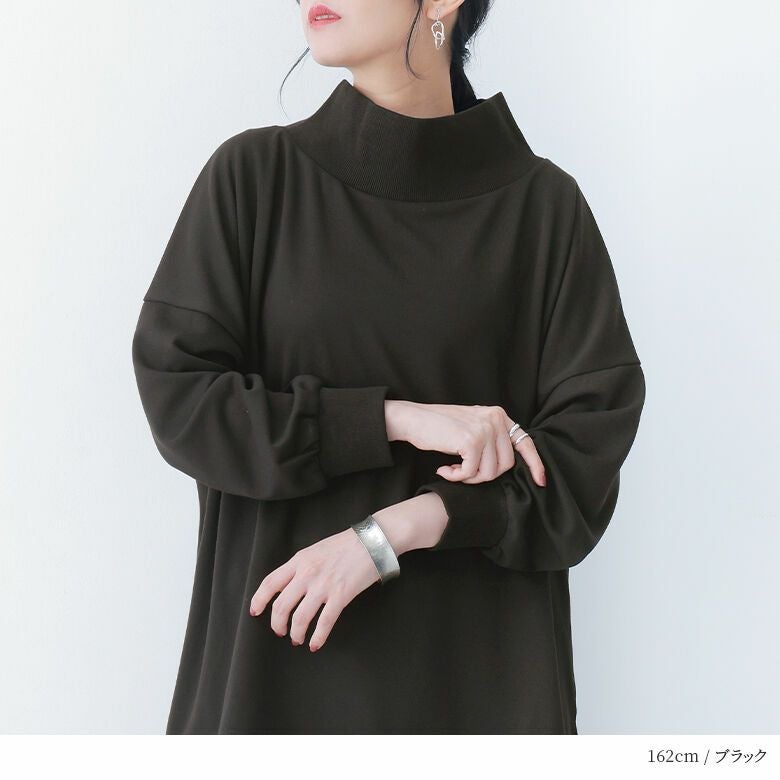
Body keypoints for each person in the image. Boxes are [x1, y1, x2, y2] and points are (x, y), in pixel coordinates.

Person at [131, 0, 646, 734]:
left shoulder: (544, 211)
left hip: (474, 692)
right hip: (273, 681)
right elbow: (182, 399)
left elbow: (578, 468)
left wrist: (392, 534)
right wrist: (391, 420)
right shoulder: (254, 179)